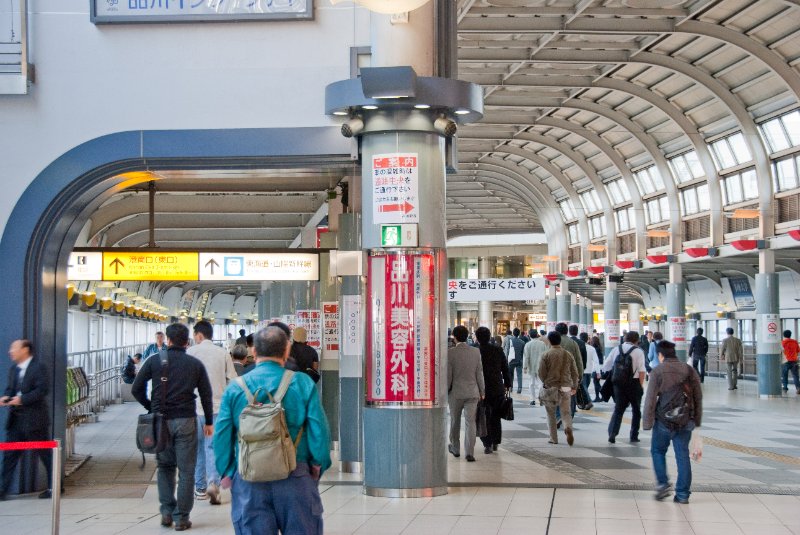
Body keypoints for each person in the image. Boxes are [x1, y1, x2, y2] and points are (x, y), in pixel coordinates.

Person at [214, 326, 331, 535]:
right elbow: (319, 429)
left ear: (254, 352)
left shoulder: (235, 388)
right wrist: (317, 464)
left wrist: (227, 471)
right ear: (287, 351)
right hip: (295, 475)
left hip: (249, 478)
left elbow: (222, 433)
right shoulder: (302, 383)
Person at [132, 323, 214, 531]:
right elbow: (206, 394)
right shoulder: (194, 364)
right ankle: (182, 518)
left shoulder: (154, 361)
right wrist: (210, 422)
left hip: (161, 422)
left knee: (165, 467)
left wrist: (150, 405)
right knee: (187, 471)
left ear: (167, 340)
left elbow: (135, 388)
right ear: (187, 342)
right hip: (186, 420)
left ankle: (167, 512)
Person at [643, 341, 703, 504]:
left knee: (657, 451)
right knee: (682, 455)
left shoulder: (658, 371)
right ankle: (683, 494)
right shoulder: (688, 370)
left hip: (663, 420)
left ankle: (662, 484)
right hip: (685, 420)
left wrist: (647, 422)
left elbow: (650, 399)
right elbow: (698, 396)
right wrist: (696, 419)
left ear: (660, 355)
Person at [188, 320, 237, 505]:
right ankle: (213, 483)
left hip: (193, 410)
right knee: (213, 447)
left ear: (199, 335)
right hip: (216, 409)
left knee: (197, 447)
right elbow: (233, 380)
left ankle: (199, 488)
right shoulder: (222, 353)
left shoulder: (190, 353)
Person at [0, 339, 54, 500]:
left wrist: (22, 399)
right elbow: (11, 389)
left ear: (25, 350)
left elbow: (42, 390)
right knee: (9, 456)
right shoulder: (14, 370)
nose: (11, 351)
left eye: (14, 348)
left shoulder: (38, 368)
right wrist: (7, 397)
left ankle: (54, 487)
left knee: (45, 454)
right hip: (16, 420)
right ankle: (3, 489)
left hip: (35, 421)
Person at [447, 325, 485, 462]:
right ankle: (470, 452)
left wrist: (446, 391)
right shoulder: (475, 352)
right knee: (470, 422)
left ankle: (455, 448)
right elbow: (479, 373)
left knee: (455, 421)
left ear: (454, 337)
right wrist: (482, 391)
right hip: (472, 392)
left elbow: (449, 376)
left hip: (456, 393)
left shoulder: (450, 353)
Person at [602, 331, 646, 444]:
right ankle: (634, 435)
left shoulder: (617, 349)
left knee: (618, 409)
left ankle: (612, 433)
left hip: (618, 384)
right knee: (636, 410)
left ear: (625, 338)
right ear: (637, 340)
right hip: (634, 383)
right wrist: (641, 386)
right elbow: (642, 371)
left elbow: (606, 366)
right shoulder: (638, 351)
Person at [538, 332, 580, 446]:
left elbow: (541, 372)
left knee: (550, 413)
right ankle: (568, 427)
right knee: (566, 412)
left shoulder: (546, 354)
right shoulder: (568, 354)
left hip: (551, 387)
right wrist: (574, 386)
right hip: (566, 386)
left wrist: (545, 381)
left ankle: (553, 438)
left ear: (550, 341)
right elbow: (574, 373)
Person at [476, 326, 512, 454]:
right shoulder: (498, 350)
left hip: (481, 388)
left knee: (483, 415)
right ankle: (496, 441)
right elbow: (505, 368)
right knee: (495, 416)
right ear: (490, 336)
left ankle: (487, 443)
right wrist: (508, 383)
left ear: (477, 338)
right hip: (497, 387)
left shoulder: (476, 351)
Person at [554, 323, 583, 420]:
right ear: (567, 331)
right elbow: (579, 361)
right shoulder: (573, 343)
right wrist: (580, 376)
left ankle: (558, 416)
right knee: (571, 395)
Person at [568, 324, 593, 410]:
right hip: (579, 369)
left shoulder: (568, 342)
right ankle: (577, 404)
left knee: (569, 388)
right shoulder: (582, 343)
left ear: (569, 331)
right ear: (577, 332)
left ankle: (572, 406)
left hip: (568, 370)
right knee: (577, 387)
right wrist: (582, 369)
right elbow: (584, 358)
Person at [522, 329, 548, 406]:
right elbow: (546, 355)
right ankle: (541, 399)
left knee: (531, 384)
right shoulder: (542, 344)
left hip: (531, 366)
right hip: (541, 366)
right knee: (541, 384)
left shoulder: (528, 344)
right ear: (537, 335)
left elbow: (526, 357)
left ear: (529, 335)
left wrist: (525, 367)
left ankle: (532, 399)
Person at [503, 328, 526, 394]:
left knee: (510, 374)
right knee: (519, 374)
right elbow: (523, 353)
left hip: (511, 360)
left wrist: (506, 359)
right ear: (519, 334)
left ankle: (511, 387)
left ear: (513, 333)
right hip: (519, 360)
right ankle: (519, 388)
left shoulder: (510, 341)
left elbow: (507, 351)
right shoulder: (522, 342)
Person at [580, 332, 601, 402]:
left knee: (584, 387)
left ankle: (587, 401)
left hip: (580, 371)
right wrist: (598, 372)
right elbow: (596, 361)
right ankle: (587, 401)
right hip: (589, 371)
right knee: (585, 387)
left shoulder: (578, 347)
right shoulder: (591, 348)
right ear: (587, 339)